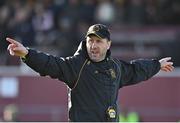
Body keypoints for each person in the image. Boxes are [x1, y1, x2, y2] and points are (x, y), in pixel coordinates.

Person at [6, 24, 174, 122]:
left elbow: (136, 69)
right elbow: (50, 64)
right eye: (90, 41)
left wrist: (157, 65)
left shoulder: (115, 67)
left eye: (98, 41)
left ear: (108, 44)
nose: (93, 45)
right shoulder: (75, 66)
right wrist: (27, 54)